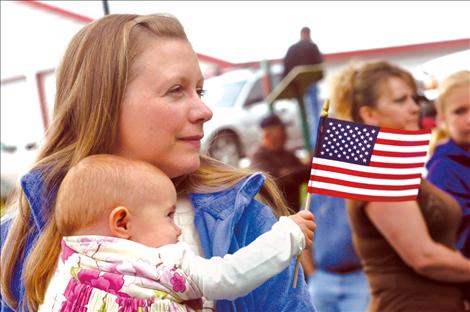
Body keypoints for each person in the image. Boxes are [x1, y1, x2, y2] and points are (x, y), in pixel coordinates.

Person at [0, 14, 317, 312]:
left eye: (199, 89)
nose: (204, 110)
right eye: (176, 90)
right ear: (105, 106)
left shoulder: (244, 217)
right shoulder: (19, 237)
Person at [38, 154, 315, 311]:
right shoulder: (163, 261)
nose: (177, 228)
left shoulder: (63, 272)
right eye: (168, 216)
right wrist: (288, 235)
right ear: (122, 223)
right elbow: (229, 276)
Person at [330, 60, 470, 311]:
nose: (415, 108)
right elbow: (424, 257)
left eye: (413, 99)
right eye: (400, 101)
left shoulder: (396, 166)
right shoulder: (377, 171)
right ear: (368, 114)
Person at [427, 70, 470, 257]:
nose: (469, 119)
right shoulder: (443, 169)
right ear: (443, 118)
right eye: (460, 111)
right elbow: (458, 240)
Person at [302, 194, 370, 312]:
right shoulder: (314, 197)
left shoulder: (359, 195)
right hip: (322, 279)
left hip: (358, 278)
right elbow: (303, 237)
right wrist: (313, 274)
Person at [250, 113, 310, 212]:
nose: (285, 134)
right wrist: (291, 174)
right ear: (268, 134)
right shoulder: (259, 157)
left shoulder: (287, 154)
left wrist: (289, 172)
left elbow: (306, 173)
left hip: (295, 212)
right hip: (275, 219)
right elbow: (273, 181)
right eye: (281, 130)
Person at [283, 26, 323, 148]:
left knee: (313, 114)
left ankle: (315, 142)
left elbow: (319, 66)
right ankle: (314, 143)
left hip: (306, 86)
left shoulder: (307, 47)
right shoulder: (303, 48)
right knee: (309, 114)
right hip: (302, 87)